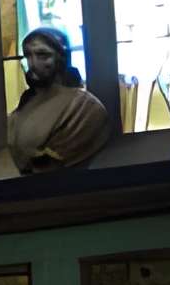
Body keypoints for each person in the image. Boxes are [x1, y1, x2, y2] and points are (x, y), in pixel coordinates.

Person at [6, 24, 112, 174]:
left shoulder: (84, 107)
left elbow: (49, 165)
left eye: (43, 55)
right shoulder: (26, 105)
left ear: (61, 57)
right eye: (28, 55)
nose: (33, 64)